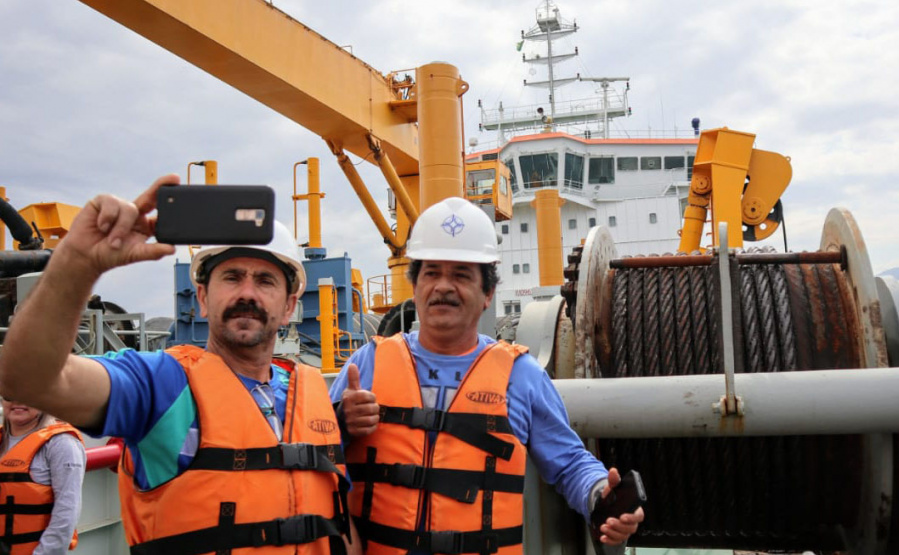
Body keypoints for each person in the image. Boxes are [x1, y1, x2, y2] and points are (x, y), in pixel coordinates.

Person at [0, 175, 358, 555]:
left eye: (266, 280)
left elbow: (339, 520)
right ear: (202, 298)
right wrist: (76, 264)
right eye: (232, 277)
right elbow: (28, 381)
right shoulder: (159, 385)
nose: (247, 293)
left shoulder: (311, 390)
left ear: (289, 306)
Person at [330, 197, 644, 554]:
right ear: (415, 287)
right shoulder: (366, 364)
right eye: (431, 272)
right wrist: (341, 422)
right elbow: (317, 457)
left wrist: (601, 495)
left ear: (487, 293)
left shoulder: (520, 376)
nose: (443, 286)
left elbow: (570, 461)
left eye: (461, 275)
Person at [0, 399, 85, 555]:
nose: (18, 401)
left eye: (27, 394)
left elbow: (66, 512)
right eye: (9, 395)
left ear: (42, 395)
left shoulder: (61, 444)